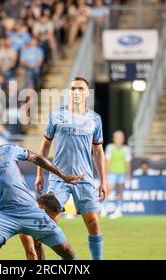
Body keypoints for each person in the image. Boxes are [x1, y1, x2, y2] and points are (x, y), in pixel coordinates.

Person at [0, 128, 82, 260]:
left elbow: (36, 157)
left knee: (67, 251)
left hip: (30, 210)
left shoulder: (8, 150)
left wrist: (62, 175)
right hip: (3, 216)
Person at [35, 76, 106, 260]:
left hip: (85, 178)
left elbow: (98, 152)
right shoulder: (57, 115)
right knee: (49, 221)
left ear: (86, 93)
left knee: (93, 223)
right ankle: (63, 258)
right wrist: (39, 173)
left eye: (80, 89)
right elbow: (45, 146)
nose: (76, 92)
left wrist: (103, 181)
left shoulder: (95, 119)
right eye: (73, 88)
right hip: (59, 177)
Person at [104, 130, 131, 219]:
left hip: (122, 173)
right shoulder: (110, 147)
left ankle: (118, 210)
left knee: (120, 192)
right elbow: (107, 161)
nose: (119, 139)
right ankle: (104, 209)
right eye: (117, 138)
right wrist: (105, 173)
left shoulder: (126, 149)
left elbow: (127, 163)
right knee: (107, 191)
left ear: (123, 139)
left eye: (120, 138)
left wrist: (128, 175)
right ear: (114, 139)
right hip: (112, 173)